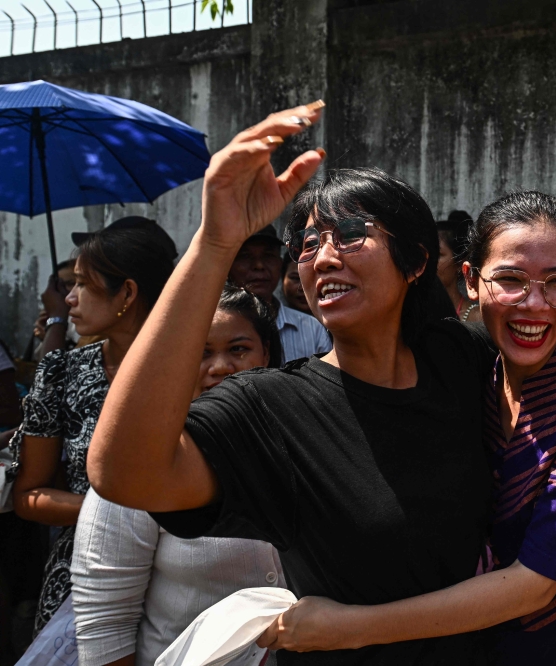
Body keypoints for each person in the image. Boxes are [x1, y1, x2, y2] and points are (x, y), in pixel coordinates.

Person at [84, 102, 499, 665]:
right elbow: (125, 474)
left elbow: (543, 340)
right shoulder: (273, 408)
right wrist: (214, 242)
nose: (323, 258)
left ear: (416, 260)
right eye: (306, 245)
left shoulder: (461, 358)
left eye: (350, 234)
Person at [263, 192, 556, 666]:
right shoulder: (470, 367)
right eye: (511, 279)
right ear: (471, 280)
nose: (534, 304)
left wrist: (347, 628)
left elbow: (534, 585)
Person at [72, 285, 285, 666]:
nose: (220, 367)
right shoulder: (143, 462)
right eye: (200, 353)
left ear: (266, 353)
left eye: (238, 349)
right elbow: (104, 626)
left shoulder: (300, 437)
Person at [9, 217, 177, 635]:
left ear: (127, 293)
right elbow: (28, 494)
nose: (68, 299)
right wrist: (118, 515)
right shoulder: (62, 371)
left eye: (82, 284)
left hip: (185, 570)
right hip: (83, 574)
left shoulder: (192, 363)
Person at [228, 223, 332, 362]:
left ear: (279, 264)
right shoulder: (211, 327)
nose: (259, 266)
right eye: (246, 256)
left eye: (268, 256)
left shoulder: (312, 330)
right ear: (228, 267)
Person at [436, 210, 481, 323]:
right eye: (425, 254)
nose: (428, 261)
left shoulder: (478, 318)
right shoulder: (412, 315)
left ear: (460, 263)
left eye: (438, 255)